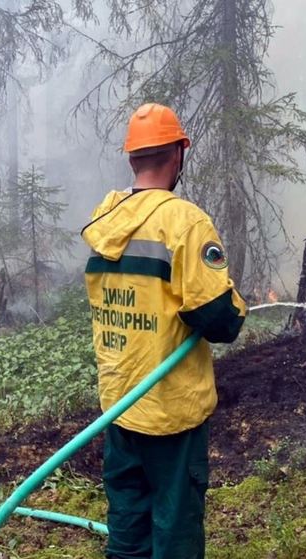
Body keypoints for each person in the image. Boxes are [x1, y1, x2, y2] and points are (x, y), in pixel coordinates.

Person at [81, 103, 247, 559]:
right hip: (171, 412)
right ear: (178, 154)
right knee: (175, 534)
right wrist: (235, 304)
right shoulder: (186, 222)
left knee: (128, 529)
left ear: (132, 159)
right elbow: (219, 320)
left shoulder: (105, 219)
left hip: (120, 406)